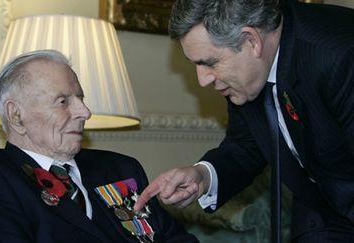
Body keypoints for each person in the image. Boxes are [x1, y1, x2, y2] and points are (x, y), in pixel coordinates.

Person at [134, 0, 354, 242]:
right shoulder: (247, 75)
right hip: (322, 214)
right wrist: (202, 176)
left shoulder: (341, 54)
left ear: (251, 41)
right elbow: (246, 145)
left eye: (210, 63)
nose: (202, 80)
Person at [0, 49, 198, 243]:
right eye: (63, 101)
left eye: (80, 98)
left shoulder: (120, 168)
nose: (85, 112)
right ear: (16, 116)